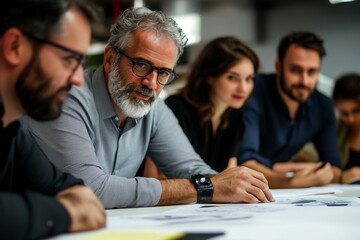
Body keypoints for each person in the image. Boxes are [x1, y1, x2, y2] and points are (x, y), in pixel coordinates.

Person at [24, 7, 274, 209]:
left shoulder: (152, 108)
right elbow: (90, 189)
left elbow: (192, 168)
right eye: (141, 65)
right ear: (110, 58)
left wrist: (233, 185)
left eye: (164, 72)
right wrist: (203, 187)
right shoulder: (67, 98)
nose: (151, 83)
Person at [0, 0, 106, 239]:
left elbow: (69, 189)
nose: (79, 79)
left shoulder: (12, 130)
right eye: (70, 59)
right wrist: (63, 213)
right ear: (14, 46)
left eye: (81, 63)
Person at [237, 31, 343, 188]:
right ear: (278, 68)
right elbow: (245, 163)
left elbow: (334, 167)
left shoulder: (323, 104)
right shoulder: (253, 91)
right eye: (296, 70)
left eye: (312, 71)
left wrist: (287, 169)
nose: (304, 81)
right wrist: (294, 176)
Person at [144, 36, 258, 178]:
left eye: (249, 79)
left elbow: (229, 173)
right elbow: (156, 178)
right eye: (232, 78)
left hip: (203, 198)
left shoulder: (235, 116)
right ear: (210, 77)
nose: (244, 88)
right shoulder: (177, 109)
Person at [332, 73, 360, 184]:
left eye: (356, 111)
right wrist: (340, 176)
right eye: (344, 113)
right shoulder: (337, 128)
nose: (351, 119)